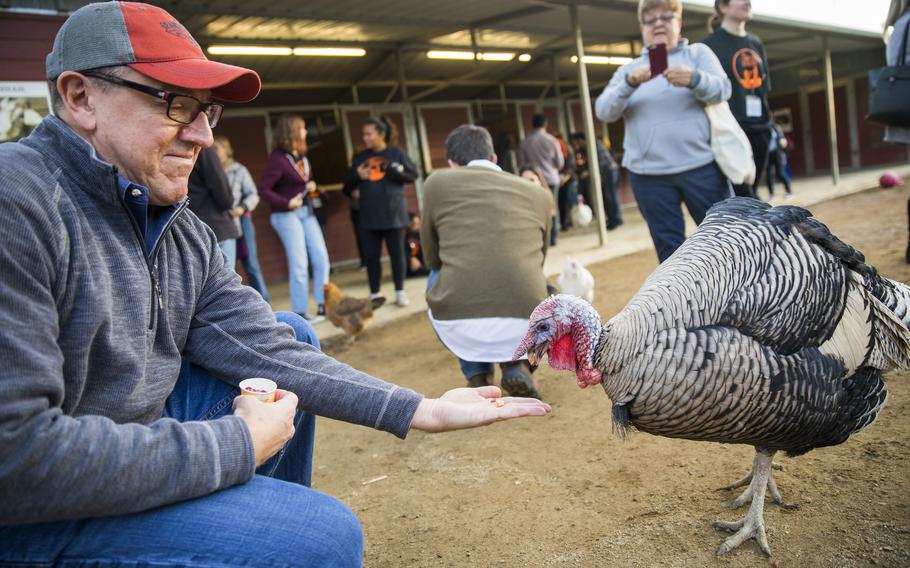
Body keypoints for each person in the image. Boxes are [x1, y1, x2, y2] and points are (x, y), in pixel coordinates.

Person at [0, 4, 552, 566]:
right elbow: (15, 457)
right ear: (80, 97)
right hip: (34, 510)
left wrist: (417, 409)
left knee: (289, 337)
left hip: (123, 439)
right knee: (321, 538)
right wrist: (234, 445)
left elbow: (265, 346)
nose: (204, 135)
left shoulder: (175, 224)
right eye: (176, 103)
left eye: (207, 110)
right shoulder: (17, 202)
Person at [595, 0, 733, 263]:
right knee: (671, 257)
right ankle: (687, 303)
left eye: (666, 17)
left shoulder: (697, 54)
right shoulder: (629, 70)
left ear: (678, 23)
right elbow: (604, 110)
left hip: (701, 168)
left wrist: (695, 79)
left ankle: (735, 302)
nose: (658, 23)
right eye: (650, 19)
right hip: (649, 177)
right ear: (642, 28)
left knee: (723, 243)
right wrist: (629, 83)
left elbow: (724, 89)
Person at [423, 125, 552, 398]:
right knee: (535, 280)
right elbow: (540, 256)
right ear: (494, 158)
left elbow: (431, 256)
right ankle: (517, 364)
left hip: (459, 319)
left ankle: (477, 375)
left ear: (452, 164)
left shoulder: (436, 183)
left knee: (440, 274)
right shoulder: (538, 194)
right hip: (526, 314)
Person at [259, 114, 330, 322]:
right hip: (285, 215)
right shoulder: (277, 159)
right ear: (291, 132)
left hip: (306, 212)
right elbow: (264, 190)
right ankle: (300, 312)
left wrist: (311, 186)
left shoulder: (301, 156)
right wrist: (286, 202)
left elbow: (298, 181)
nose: (306, 132)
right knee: (299, 263)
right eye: (302, 128)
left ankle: (323, 305)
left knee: (321, 257)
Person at [342, 116, 418, 307]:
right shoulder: (360, 158)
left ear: (381, 134)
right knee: (371, 257)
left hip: (394, 214)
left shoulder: (396, 153)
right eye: (364, 134)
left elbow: (413, 175)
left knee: (397, 255)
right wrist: (356, 175)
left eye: (369, 134)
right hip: (369, 216)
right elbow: (346, 188)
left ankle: (400, 291)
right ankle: (374, 294)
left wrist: (394, 171)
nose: (365, 138)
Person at [703, 0, 773, 199]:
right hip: (732, 131)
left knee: (750, 194)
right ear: (723, 7)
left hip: (761, 130)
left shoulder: (755, 43)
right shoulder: (709, 46)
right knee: (745, 195)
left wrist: (770, 127)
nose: (747, 2)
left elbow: (763, 89)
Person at [214, 135, 271, 302]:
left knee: (251, 263)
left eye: (217, 148)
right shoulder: (211, 170)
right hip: (223, 222)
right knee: (228, 266)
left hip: (242, 220)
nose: (213, 152)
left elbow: (253, 194)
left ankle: (264, 302)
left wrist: (242, 208)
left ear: (226, 149)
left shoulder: (239, 170)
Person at [188, 144, 240, 266]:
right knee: (226, 282)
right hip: (218, 225)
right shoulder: (202, 146)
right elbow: (223, 192)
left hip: (191, 228)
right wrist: (228, 203)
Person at [520, 114, 564, 246]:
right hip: (551, 178)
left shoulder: (525, 142)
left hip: (534, 181)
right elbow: (560, 163)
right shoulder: (552, 140)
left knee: (538, 210)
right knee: (552, 207)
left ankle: (543, 237)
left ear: (532, 125)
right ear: (545, 125)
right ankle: (554, 237)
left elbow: (522, 164)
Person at [569, 133, 624, 230]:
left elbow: (600, 162)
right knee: (607, 196)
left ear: (580, 140)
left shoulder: (594, 144)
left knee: (610, 196)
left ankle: (616, 219)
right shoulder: (585, 148)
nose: (575, 145)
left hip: (609, 171)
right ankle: (612, 218)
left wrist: (589, 172)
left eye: (575, 142)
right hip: (606, 172)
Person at [765, 122, 793, 199]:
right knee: (769, 175)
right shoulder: (762, 128)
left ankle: (789, 191)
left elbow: (782, 138)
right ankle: (771, 194)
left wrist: (782, 141)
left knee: (781, 173)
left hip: (777, 153)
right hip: (767, 154)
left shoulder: (776, 127)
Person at [405, 212, 430, 278]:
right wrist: (411, 258)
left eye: (418, 224)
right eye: (415, 224)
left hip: (423, 264)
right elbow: (407, 250)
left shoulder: (420, 235)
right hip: (413, 267)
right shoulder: (406, 237)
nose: (418, 227)